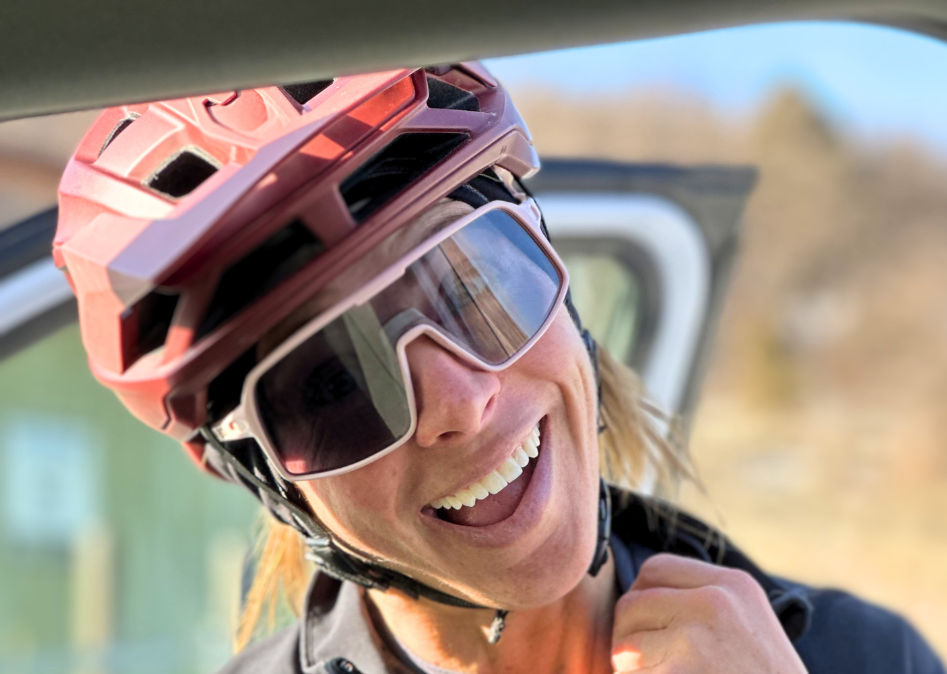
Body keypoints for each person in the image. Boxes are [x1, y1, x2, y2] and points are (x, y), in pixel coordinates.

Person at [55, 63, 944, 674]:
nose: (461, 401)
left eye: (476, 288)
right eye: (336, 385)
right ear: (257, 474)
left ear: (554, 274)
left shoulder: (860, 658)